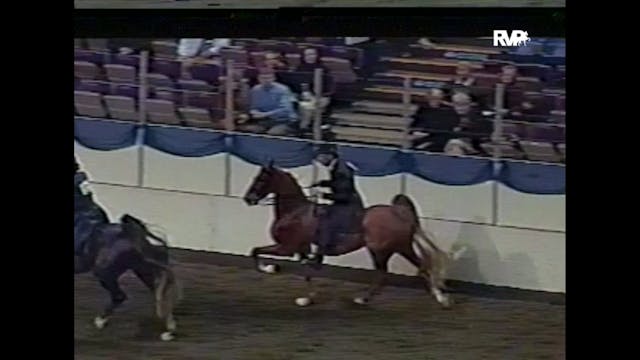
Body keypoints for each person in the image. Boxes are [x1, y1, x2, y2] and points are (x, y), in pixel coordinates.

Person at [309, 144, 364, 263]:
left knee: (327, 220)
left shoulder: (341, 170)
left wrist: (324, 195)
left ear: (329, 156)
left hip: (348, 204)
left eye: (320, 157)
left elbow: (344, 193)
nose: (319, 160)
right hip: (345, 201)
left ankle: (322, 251)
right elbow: (337, 184)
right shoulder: (338, 167)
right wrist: (322, 183)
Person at [241, 67, 298, 136]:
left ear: (274, 78)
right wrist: (254, 111)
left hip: (284, 120)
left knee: (273, 133)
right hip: (265, 120)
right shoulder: (255, 90)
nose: (266, 80)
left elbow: (286, 110)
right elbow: (254, 107)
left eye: (269, 78)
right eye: (263, 78)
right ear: (258, 79)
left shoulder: (283, 89)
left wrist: (265, 114)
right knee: (248, 130)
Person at [74, 157, 109, 269]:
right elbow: (88, 194)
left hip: (80, 211)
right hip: (92, 208)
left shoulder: (79, 178)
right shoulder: (81, 177)